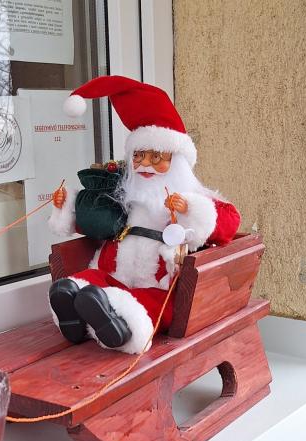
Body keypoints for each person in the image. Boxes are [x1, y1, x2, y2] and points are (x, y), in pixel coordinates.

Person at [48, 76, 241, 354]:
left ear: (176, 160)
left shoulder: (191, 196)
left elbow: (230, 222)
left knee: (148, 302)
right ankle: (77, 311)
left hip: (159, 287)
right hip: (117, 275)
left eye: (156, 157)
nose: (145, 165)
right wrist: (68, 207)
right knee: (88, 282)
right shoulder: (128, 198)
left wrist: (190, 209)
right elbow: (100, 221)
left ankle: (120, 324)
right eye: (139, 156)